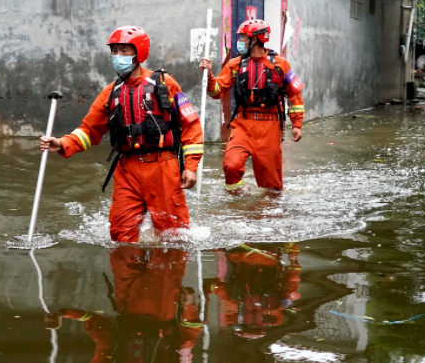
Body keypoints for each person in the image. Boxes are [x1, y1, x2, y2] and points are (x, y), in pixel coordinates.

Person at [40, 26, 204, 243]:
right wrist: (61, 143)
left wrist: (191, 167)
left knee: (174, 238)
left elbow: (190, 125)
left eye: (124, 51)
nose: (118, 57)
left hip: (163, 168)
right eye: (114, 51)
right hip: (128, 171)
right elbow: (89, 131)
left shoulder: (164, 84)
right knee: (120, 236)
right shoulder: (110, 93)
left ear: (139, 53)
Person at [44, 247, 202, 363]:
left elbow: (99, 330)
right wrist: (189, 308)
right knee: (169, 244)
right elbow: (185, 346)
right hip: (160, 306)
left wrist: (64, 313)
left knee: (123, 245)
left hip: (127, 300)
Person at [199, 19, 304, 192]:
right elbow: (216, 91)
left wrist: (297, 124)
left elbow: (294, 94)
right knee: (231, 165)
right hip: (243, 124)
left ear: (254, 40)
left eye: (242, 38)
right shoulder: (235, 64)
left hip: (270, 126)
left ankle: (269, 214)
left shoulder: (280, 64)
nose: (239, 42)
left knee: (271, 183)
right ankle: (237, 201)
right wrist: (209, 75)